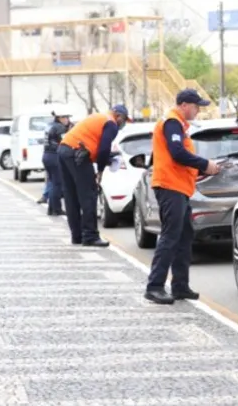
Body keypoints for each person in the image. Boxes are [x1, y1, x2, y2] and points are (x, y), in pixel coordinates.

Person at [144, 89, 221, 305]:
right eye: (196, 107)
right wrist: (204, 164)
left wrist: (204, 169)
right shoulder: (172, 122)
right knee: (170, 236)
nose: (198, 111)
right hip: (170, 187)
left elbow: (175, 157)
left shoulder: (178, 124)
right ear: (185, 105)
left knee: (185, 236)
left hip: (179, 187)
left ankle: (179, 285)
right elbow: (177, 153)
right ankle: (155, 286)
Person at [58, 104, 129, 247]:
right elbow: (103, 149)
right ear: (118, 115)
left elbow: (95, 147)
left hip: (64, 150)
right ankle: (90, 236)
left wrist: (105, 159)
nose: (124, 123)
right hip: (78, 154)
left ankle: (77, 235)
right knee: (89, 195)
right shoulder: (111, 123)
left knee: (71, 196)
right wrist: (101, 170)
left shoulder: (98, 117)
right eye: (124, 119)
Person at [42, 107, 74, 216]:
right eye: (65, 117)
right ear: (59, 117)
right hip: (54, 156)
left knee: (52, 182)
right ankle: (56, 209)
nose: (67, 119)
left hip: (46, 155)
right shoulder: (60, 128)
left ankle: (51, 208)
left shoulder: (50, 126)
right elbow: (65, 142)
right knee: (57, 184)